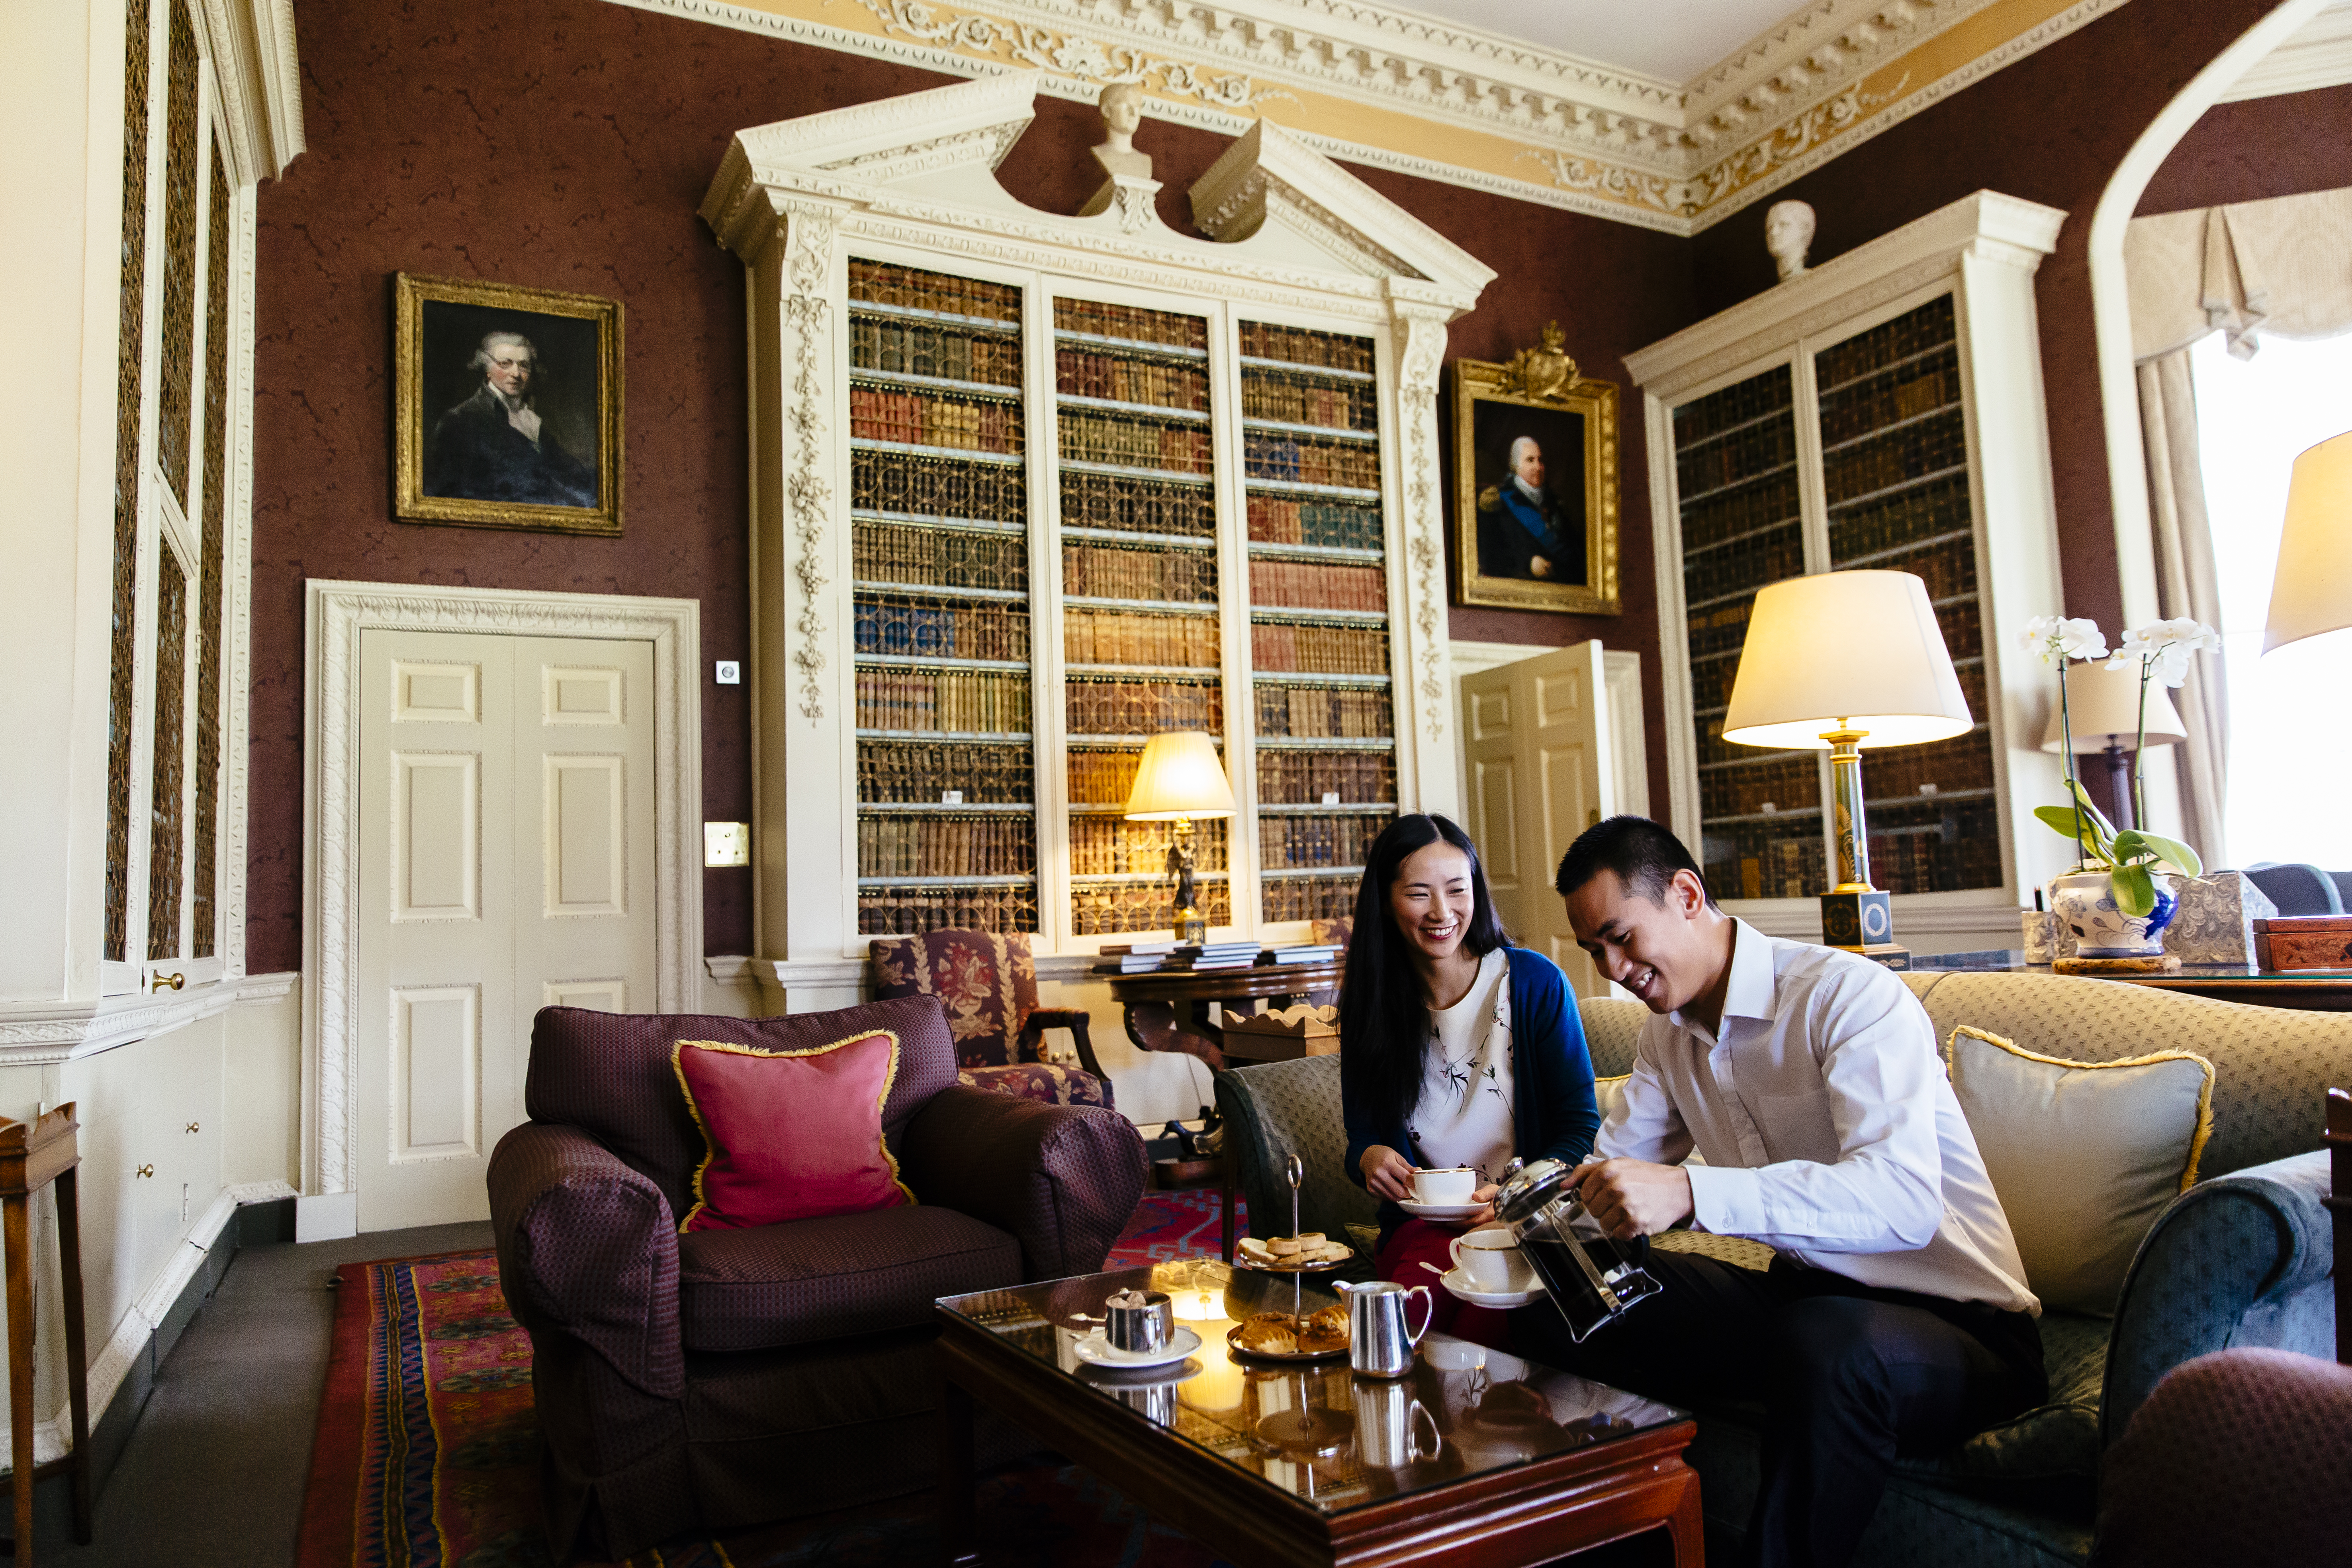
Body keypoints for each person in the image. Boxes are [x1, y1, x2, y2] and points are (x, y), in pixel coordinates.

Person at [1536, 815, 2044, 1568]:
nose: (1612, 968)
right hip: (1807, 1299)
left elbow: (1902, 1199)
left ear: (1685, 895)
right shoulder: (1665, 1036)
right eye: (1593, 950)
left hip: (1962, 1327)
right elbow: (1607, 1180)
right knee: (1583, 1284)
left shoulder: (1846, 996)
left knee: (1827, 1344)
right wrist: (1526, 1219)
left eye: (1621, 937)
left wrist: (1692, 1190)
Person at [1338, 813, 1600, 1349]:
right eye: (1418, 894)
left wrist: (1513, 1199)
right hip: (1421, 1228)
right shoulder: (1371, 1007)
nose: (1442, 912)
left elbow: (1579, 1129)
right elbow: (1362, 1139)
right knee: (1418, 1313)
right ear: (1385, 901)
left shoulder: (1533, 984)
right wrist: (1368, 1158)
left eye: (1457, 890)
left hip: (1527, 1219)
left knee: (1484, 1317)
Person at [425, 330, 598, 507]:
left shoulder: (531, 419)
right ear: (487, 370)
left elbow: (570, 472)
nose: (516, 373)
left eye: (524, 366)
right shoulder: (460, 420)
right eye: (505, 364)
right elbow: (446, 491)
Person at [1475, 436, 1583, 582]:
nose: (1538, 467)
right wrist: (1529, 564)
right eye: (1530, 460)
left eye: (1540, 460)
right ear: (1516, 467)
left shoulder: (1554, 501)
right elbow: (1490, 558)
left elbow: (1573, 551)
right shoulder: (1498, 503)